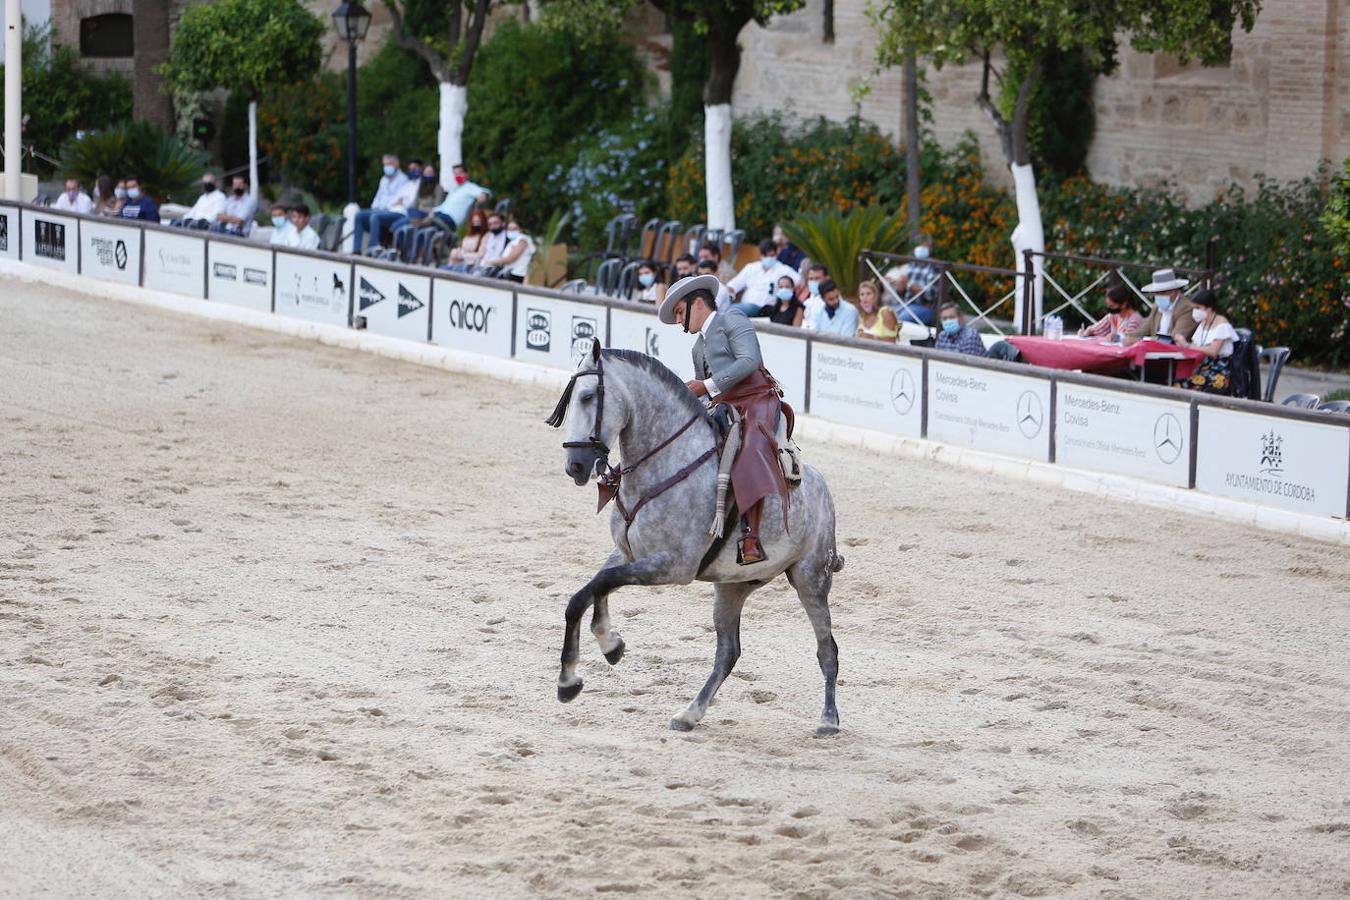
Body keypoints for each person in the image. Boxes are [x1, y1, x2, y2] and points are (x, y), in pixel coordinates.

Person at [658, 274, 790, 566]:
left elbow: (749, 360)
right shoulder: (697, 347)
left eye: (680, 312)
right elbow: (705, 392)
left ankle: (751, 536)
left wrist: (706, 386)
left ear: (699, 303)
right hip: (723, 403)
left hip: (757, 398)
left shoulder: (733, 319)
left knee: (750, 446)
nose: (680, 322)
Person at [1175, 289, 1239, 394]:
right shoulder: (1203, 324)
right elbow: (1196, 346)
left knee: (1186, 384)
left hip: (1219, 370)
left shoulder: (1222, 324)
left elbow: (1213, 351)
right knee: (1177, 379)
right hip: (1203, 368)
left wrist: (1187, 345)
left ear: (1209, 308)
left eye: (1198, 308)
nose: (1195, 311)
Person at [351, 154, 409, 254]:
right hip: (380, 210)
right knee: (359, 215)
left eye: (389, 164)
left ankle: (371, 250)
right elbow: (378, 197)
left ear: (396, 164)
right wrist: (374, 207)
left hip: (393, 211)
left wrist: (383, 208)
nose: (387, 167)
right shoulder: (384, 180)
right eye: (385, 164)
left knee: (375, 216)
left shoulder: (403, 179)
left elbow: (398, 200)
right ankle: (356, 250)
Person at [1125, 268, 1198, 345]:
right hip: (1154, 350)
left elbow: (1176, 338)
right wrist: (1124, 336)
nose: (1158, 296)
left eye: (1161, 293)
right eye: (1156, 293)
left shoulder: (1186, 308)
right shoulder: (1157, 307)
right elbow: (1144, 328)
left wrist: (1144, 340)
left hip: (1176, 353)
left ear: (1173, 291)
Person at [728, 239, 800, 315]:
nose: (769, 258)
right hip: (745, 306)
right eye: (766, 256)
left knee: (734, 310)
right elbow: (733, 286)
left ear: (776, 254)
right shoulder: (751, 268)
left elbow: (800, 282)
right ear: (761, 255)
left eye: (771, 255)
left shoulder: (783, 270)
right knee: (727, 308)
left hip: (766, 308)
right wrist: (728, 296)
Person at [478, 212, 534, 282]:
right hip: (507, 273)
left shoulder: (523, 240)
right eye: (509, 229)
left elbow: (510, 259)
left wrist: (489, 262)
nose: (512, 231)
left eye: (514, 228)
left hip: (515, 275)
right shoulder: (513, 241)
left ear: (520, 229)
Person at [433, 163, 491, 230]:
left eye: (460, 173)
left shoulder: (470, 187)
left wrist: (484, 195)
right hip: (441, 215)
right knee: (422, 216)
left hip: (452, 220)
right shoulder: (453, 189)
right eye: (455, 173)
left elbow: (486, 192)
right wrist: (433, 210)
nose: (457, 176)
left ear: (466, 174)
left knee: (427, 223)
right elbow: (444, 206)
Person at [1080, 283, 1145, 341]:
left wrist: (1116, 337)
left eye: (1112, 306)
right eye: (1108, 305)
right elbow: (1097, 329)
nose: (1109, 308)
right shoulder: (1114, 315)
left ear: (1124, 304)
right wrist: (1087, 331)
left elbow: (1129, 339)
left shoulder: (1134, 319)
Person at [443, 209, 489, 273]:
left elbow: (480, 255)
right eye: (474, 222)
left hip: (470, 265)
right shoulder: (469, 235)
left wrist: (463, 255)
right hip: (457, 263)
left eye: (478, 222)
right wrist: (457, 252)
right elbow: (462, 249)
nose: (476, 225)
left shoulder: (486, 236)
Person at [800, 263, 830, 330]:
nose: (813, 282)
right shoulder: (807, 302)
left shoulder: (831, 301)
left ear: (827, 279)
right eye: (811, 279)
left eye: (817, 278)